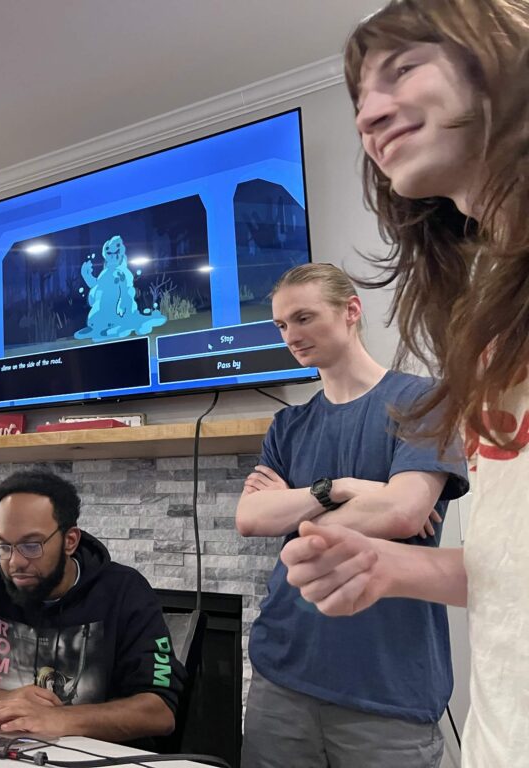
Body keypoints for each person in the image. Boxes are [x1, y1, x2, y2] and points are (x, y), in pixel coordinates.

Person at [279, 2, 529, 766]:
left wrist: (312, 498)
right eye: (358, 98)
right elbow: (510, 563)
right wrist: (392, 564)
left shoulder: (411, 396)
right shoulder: (487, 321)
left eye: (403, 69)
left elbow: (397, 503)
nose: (368, 114)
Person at [235, 263, 468, 768]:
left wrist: (293, 511)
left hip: (387, 688)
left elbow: (405, 512)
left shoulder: (423, 400)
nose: (292, 336)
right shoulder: (288, 423)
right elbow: (250, 517)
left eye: (303, 318)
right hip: (283, 675)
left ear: (351, 311)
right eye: (281, 326)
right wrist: (340, 489)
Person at [0, 469, 185, 744]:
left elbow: (159, 712)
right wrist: (3, 701)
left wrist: (62, 719)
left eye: (31, 546)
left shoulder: (125, 592)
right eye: (4, 546)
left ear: (70, 540)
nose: (15, 562)